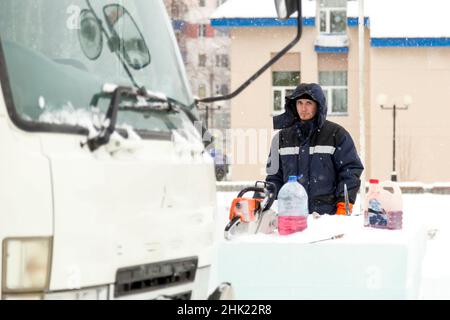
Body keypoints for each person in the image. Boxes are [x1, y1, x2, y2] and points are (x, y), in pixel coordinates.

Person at [265, 83, 364, 215]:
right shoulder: (281, 138)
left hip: (327, 217)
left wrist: (343, 203)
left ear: (318, 105)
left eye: (308, 103)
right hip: (291, 216)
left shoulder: (336, 134)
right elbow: (273, 177)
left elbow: (350, 171)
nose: (303, 108)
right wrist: (265, 202)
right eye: (299, 103)